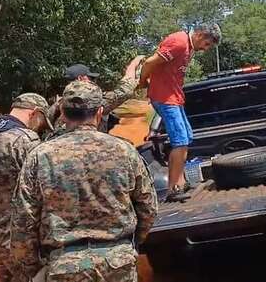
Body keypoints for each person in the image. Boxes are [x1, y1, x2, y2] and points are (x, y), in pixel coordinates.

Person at [11, 80, 158, 281]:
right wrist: (130, 245)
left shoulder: (40, 156)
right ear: (99, 112)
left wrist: (33, 268)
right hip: (117, 263)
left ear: (62, 111)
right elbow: (148, 208)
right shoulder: (125, 151)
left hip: (64, 267)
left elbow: (23, 222)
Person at [138, 23, 221, 201]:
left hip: (175, 98)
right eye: (206, 44)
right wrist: (143, 81)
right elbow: (150, 62)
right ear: (199, 35)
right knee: (180, 141)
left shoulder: (188, 46)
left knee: (186, 138)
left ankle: (181, 182)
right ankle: (172, 189)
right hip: (164, 98)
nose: (205, 49)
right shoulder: (179, 42)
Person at [0, 93, 53, 282]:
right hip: (22, 240)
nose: (40, 128)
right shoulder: (26, 140)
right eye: (42, 122)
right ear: (35, 113)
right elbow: (44, 189)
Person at [47, 56, 143, 138]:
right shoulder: (92, 101)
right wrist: (134, 64)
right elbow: (125, 90)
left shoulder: (58, 103)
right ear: (80, 78)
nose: (93, 81)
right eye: (90, 78)